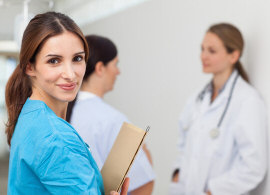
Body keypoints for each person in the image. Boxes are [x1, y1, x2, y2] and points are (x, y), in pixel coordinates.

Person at [5, 11, 129, 195]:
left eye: (77, 58)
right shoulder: (56, 138)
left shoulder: (30, 113)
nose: (70, 74)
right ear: (29, 67)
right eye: (54, 61)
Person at [169, 23, 267, 195]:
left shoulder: (248, 101)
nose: (203, 56)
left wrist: (213, 191)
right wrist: (177, 174)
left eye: (211, 51)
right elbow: (183, 145)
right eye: (202, 49)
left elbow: (254, 166)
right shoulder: (196, 99)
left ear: (234, 55)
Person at [66, 35, 155, 195]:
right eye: (116, 64)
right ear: (100, 68)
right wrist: (145, 155)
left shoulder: (61, 112)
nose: (118, 71)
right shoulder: (112, 120)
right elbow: (143, 185)